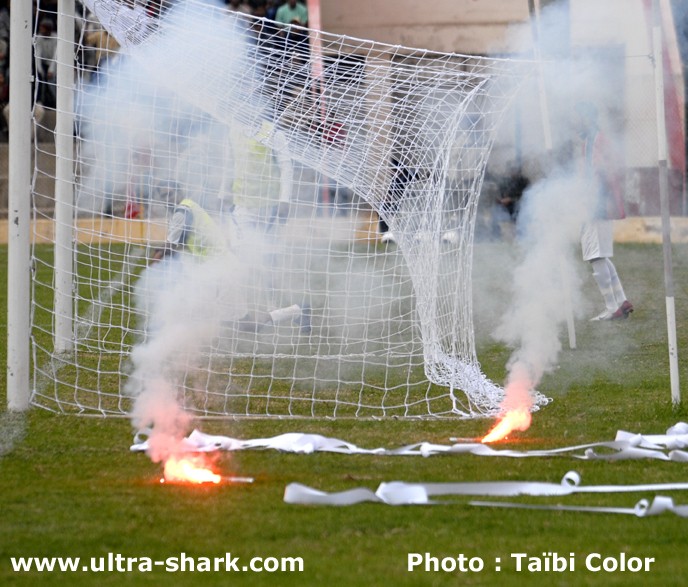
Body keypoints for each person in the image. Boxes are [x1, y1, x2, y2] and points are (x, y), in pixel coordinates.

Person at [151, 191, 310, 333]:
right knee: (192, 307)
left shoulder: (182, 212)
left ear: (179, 192)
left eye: (170, 194)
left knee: (246, 325)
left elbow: (170, 246)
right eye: (164, 196)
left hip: (223, 273)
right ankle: (160, 332)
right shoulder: (188, 207)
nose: (168, 199)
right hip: (215, 271)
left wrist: (153, 260)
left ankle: (296, 310)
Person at [576, 102, 633, 321]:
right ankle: (621, 301)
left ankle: (612, 307)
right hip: (601, 204)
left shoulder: (596, 141)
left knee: (595, 255)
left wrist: (588, 203)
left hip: (597, 205)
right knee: (601, 255)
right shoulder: (594, 139)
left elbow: (599, 174)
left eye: (578, 118)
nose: (575, 124)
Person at [230, 118, 293, 236]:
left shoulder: (274, 132)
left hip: (268, 207)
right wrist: (222, 194)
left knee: (265, 249)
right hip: (241, 205)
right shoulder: (233, 129)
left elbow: (286, 168)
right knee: (242, 249)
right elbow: (229, 163)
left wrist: (284, 200)